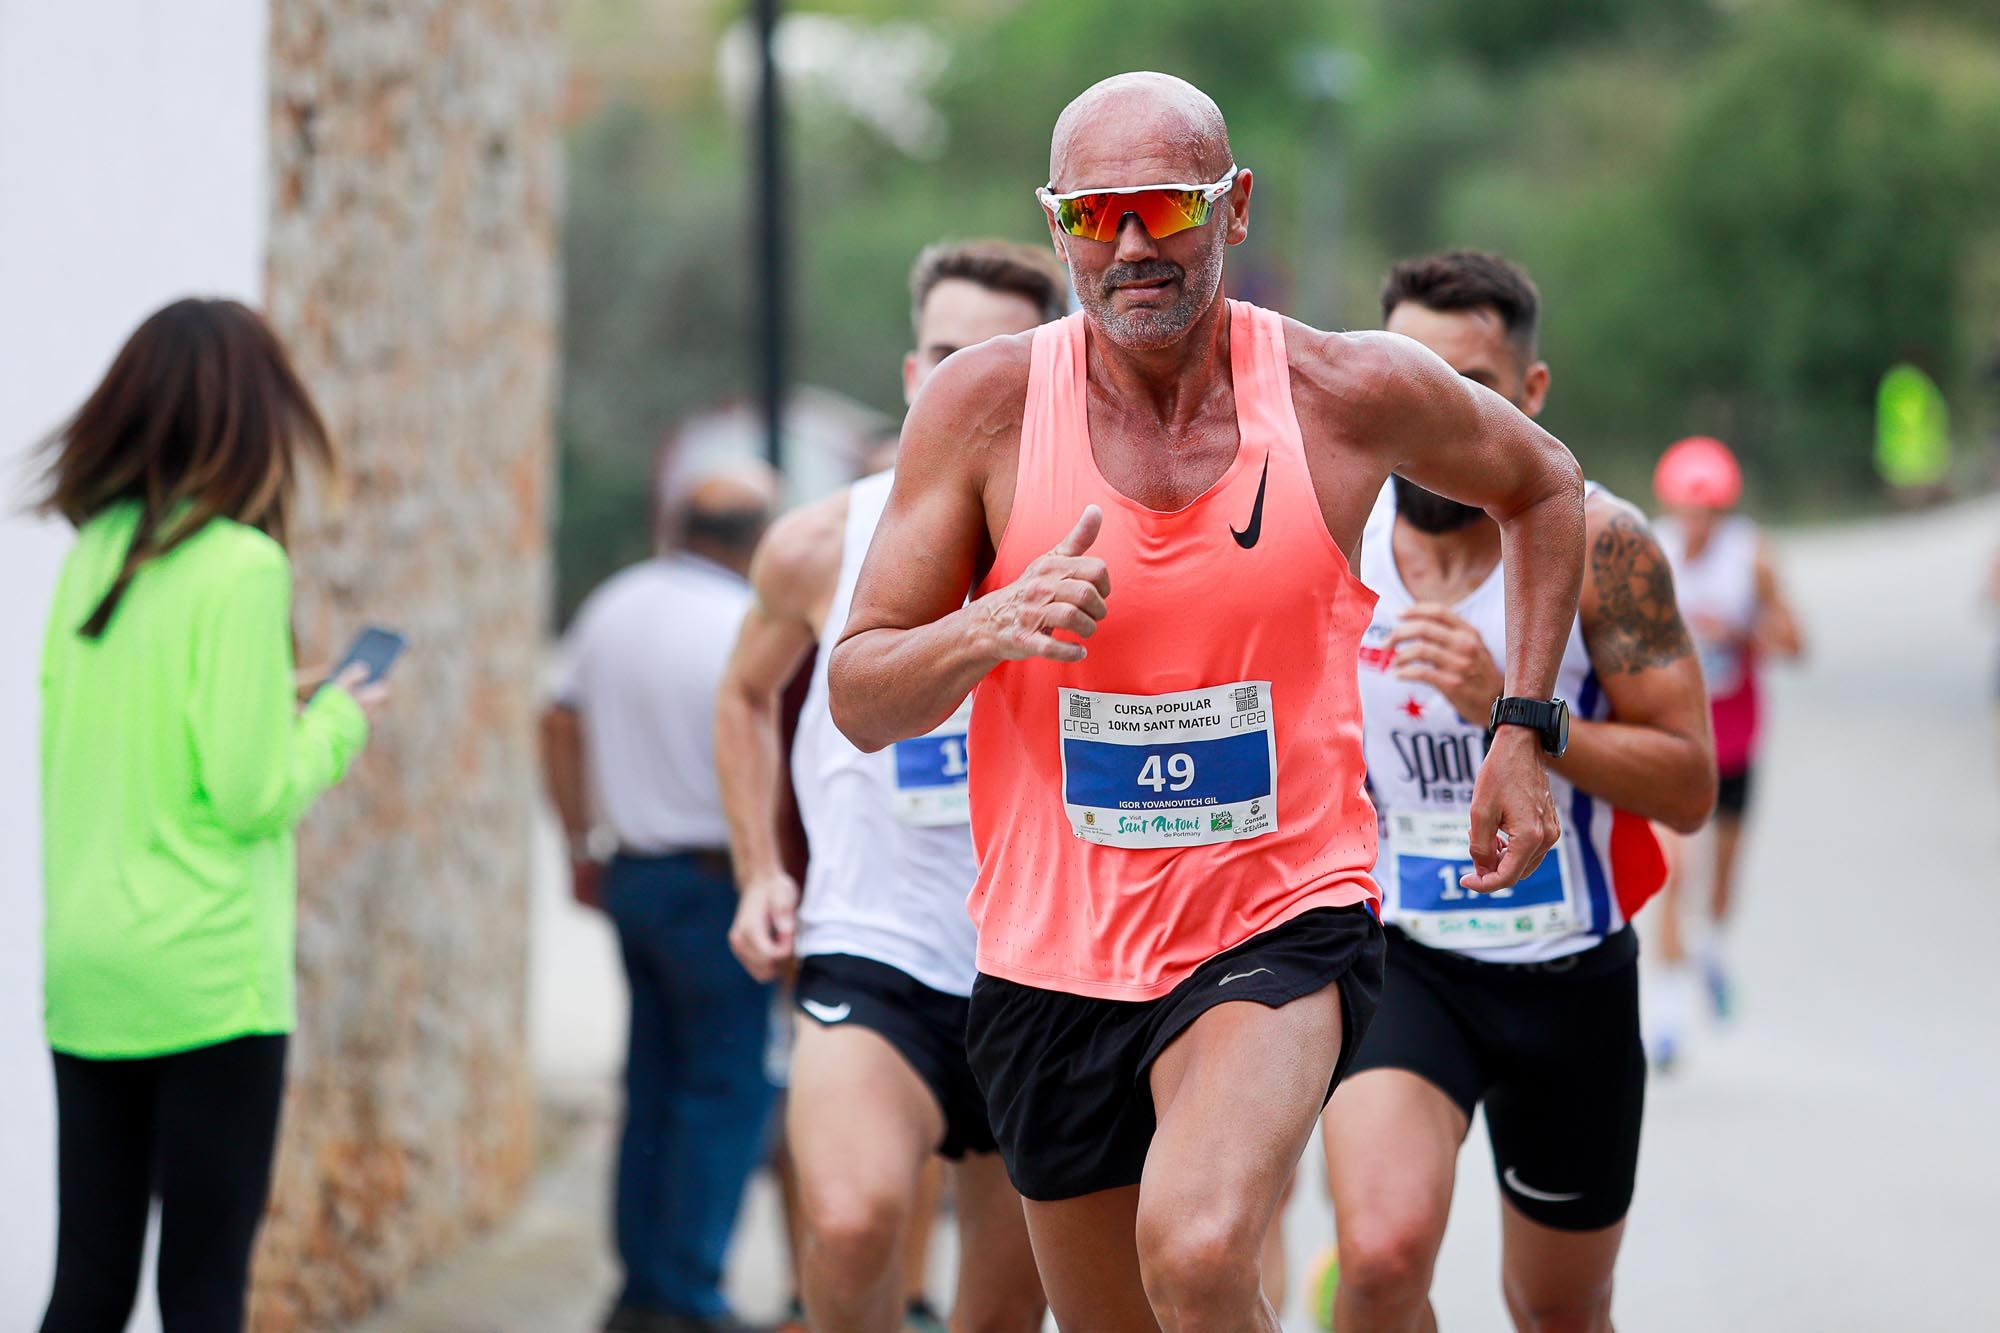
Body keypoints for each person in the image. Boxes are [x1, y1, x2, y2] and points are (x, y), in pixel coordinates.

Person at [826, 73, 1589, 1332]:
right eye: (1092, 215)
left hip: (1277, 914)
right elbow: (858, 694)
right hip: (1048, 954)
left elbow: (1545, 487)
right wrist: (985, 625)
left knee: (1193, 1249)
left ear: (1232, 206)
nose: (1129, 245)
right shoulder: (987, 407)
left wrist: (1521, 728)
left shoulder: (1342, 391)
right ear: (1056, 221)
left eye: (1164, 209)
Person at [1320, 251, 1715, 1333]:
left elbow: (1686, 784)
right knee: (1379, 1256)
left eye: (1473, 388)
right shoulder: (1330, 535)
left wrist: (1520, 712)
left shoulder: (1601, 542)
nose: (1437, 419)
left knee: (1557, 1309)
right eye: (1411, 379)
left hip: (1566, 976)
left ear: (1530, 396)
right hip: (1399, 961)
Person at [720, 238, 1065, 1333]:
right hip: (872, 944)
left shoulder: (1094, 537)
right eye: (947, 356)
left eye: (997, 362)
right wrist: (758, 871)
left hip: (1044, 962)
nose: (967, 384)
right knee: (853, 1218)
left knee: (1001, 1310)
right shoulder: (821, 543)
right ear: (916, 376)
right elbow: (740, 696)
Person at [35, 298, 385, 1333]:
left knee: (88, 1285)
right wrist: (334, 722)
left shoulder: (91, 553)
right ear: (254, 415)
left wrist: (276, 706)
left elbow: (125, 737)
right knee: (200, 1290)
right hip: (205, 983)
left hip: (91, 971)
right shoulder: (242, 564)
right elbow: (249, 795)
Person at [540, 452, 781, 1333]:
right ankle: (689, 1294)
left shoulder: (615, 604)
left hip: (633, 873)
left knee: (650, 1081)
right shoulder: (743, 621)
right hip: (716, 880)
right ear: (756, 537)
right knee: (723, 1092)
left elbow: (557, 717)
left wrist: (576, 838)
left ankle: (641, 1287)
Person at [1647, 435, 1804, 1060]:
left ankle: (1709, 946)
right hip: (1672, 733)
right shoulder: (1647, 550)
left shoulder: (1752, 557)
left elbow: (1796, 641)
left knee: (1722, 882)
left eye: (1709, 511)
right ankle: (1666, 1014)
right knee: (1674, 872)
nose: (1698, 524)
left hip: (1734, 738)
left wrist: (1740, 630)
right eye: (1689, 510)